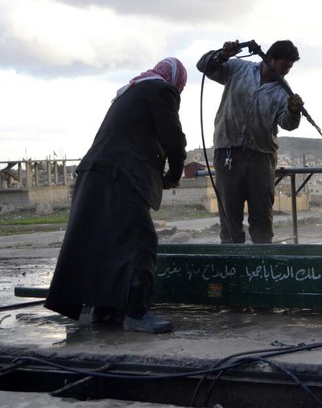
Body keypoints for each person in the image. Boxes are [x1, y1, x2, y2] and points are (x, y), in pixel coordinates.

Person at [44, 57, 188, 334]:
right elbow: (174, 139)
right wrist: (174, 175)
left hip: (94, 174)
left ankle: (105, 310)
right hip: (119, 176)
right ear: (176, 81)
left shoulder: (130, 92)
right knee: (141, 240)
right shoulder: (161, 90)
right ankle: (137, 312)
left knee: (106, 242)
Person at [196, 40, 304, 243]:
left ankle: (262, 266)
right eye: (284, 65)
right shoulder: (238, 69)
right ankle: (232, 267)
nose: (286, 71)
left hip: (261, 158)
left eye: (290, 67)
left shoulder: (283, 91)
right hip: (228, 153)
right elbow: (203, 67)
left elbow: (287, 124)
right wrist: (223, 54)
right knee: (229, 222)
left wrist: (292, 110)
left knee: (262, 222)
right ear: (270, 59)